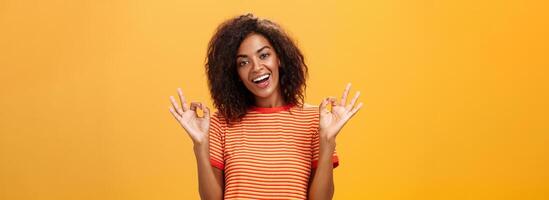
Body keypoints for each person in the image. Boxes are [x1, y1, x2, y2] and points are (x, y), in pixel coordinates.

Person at [169, 13, 362, 200]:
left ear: (279, 58)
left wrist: (328, 141)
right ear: (235, 73)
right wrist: (200, 145)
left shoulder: (315, 121)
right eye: (243, 62)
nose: (256, 67)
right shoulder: (222, 122)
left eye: (264, 55)